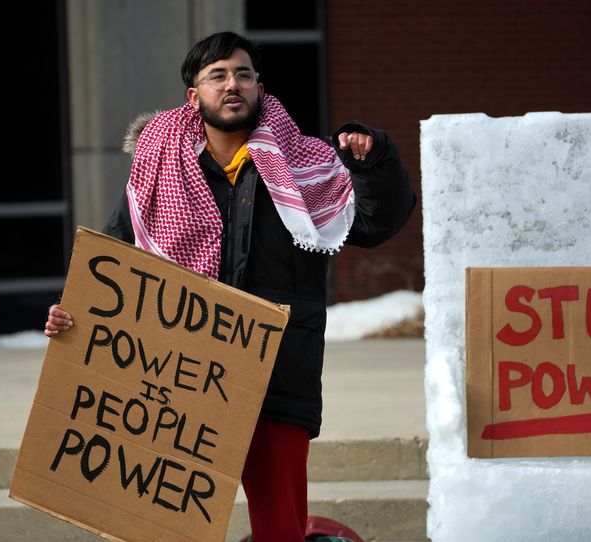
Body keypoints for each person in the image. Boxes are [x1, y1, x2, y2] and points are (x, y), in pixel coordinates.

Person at [45, 31, 415, 542]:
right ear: (193, 96)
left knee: (280, 531)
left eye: (242, 74)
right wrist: (75, 312)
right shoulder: (159, 170)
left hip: (278, 379)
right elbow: (112, 263)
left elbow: (380, 222)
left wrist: (373, 163)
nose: (231, 84)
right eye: (216, 76)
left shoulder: (305, 166)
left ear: (259, 88)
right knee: (162, 529)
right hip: (174, 383)